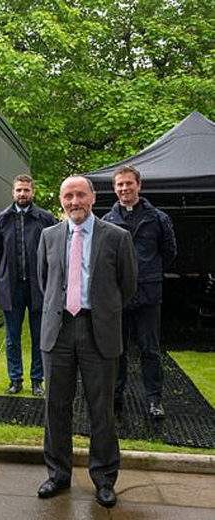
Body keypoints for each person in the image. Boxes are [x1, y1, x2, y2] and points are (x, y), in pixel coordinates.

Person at [36, 175, 137, 508]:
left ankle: (105, 478)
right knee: (55, 406)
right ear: (61, 200)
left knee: (101, 409)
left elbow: (128, 285)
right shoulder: (49, 235)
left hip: (99, 331)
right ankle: (58, 474)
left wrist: (103, 310)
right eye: (68, 196)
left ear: (93, 198)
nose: (74, 201)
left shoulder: (117, 237)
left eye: (80, 195)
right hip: (59, 329)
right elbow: (44, 281)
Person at [102, 166, 177, 419]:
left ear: (139, 185)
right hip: (118, 296)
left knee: (150, 350)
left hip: (148, 296)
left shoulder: (158, 219)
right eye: (119, 185)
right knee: (117, 349)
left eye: (128, 184)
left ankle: (154, 400)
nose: (124, 189)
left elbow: (169, 253)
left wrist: (147, 273)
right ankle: (115, 396)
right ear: (114, 188)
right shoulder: (107, 221)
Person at [0, 174, 57, 396]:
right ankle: (15, 379)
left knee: (40, 335)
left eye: (26, 190)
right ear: (13, 192)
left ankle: (37, 380)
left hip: (39, 287)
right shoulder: (2, 219)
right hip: (11, 287)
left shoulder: (45, 218)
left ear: (33, 192)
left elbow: (54, 251)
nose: (22, 194)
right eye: (18, 190)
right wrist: (5, 273)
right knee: (12, 337)